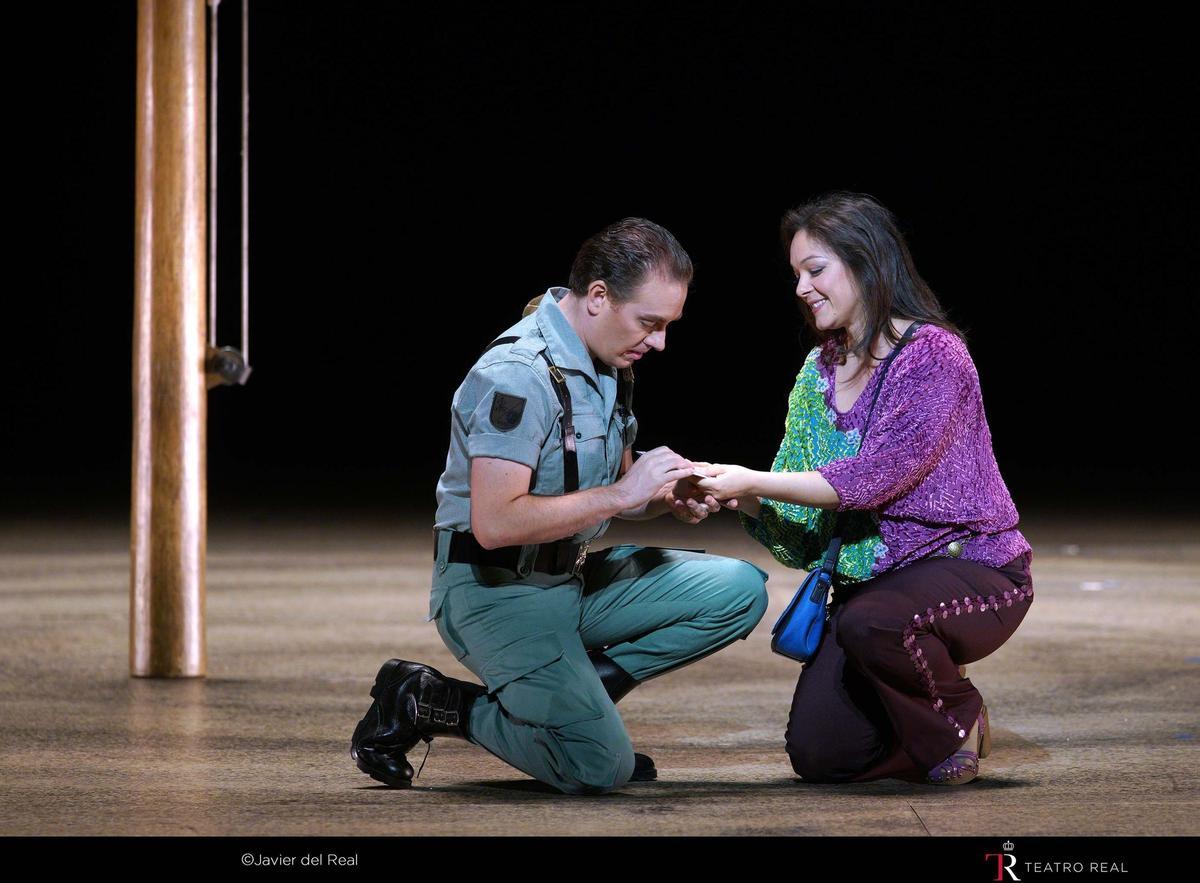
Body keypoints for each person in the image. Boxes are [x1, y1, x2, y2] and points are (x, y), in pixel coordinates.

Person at [350, 218, 769, 795]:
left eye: (669, 325)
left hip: (567, 578)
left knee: (740, 590)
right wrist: (625, 493)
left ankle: (577, 713)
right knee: (598, 770)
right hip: (493, 592)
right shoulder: (517, 375)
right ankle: (431, 700)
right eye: (650, 323)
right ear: (598, 296)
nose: (660, 342)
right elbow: (496, 525)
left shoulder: (608, 364)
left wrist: (662, 496)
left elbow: (608, 485)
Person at [695, 192, 1034, 785]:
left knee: (871, 622)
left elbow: (876, 477)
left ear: (867, 263)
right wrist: (732, 494)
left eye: (815, 270)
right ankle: (919, 716)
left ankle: (957, 714)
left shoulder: (933, 355)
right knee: (821, 755)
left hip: (973, 568)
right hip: (875, 594)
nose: (801, 287)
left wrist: (751, 478)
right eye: (796, 274)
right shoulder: (816, 373)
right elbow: (799, 520)